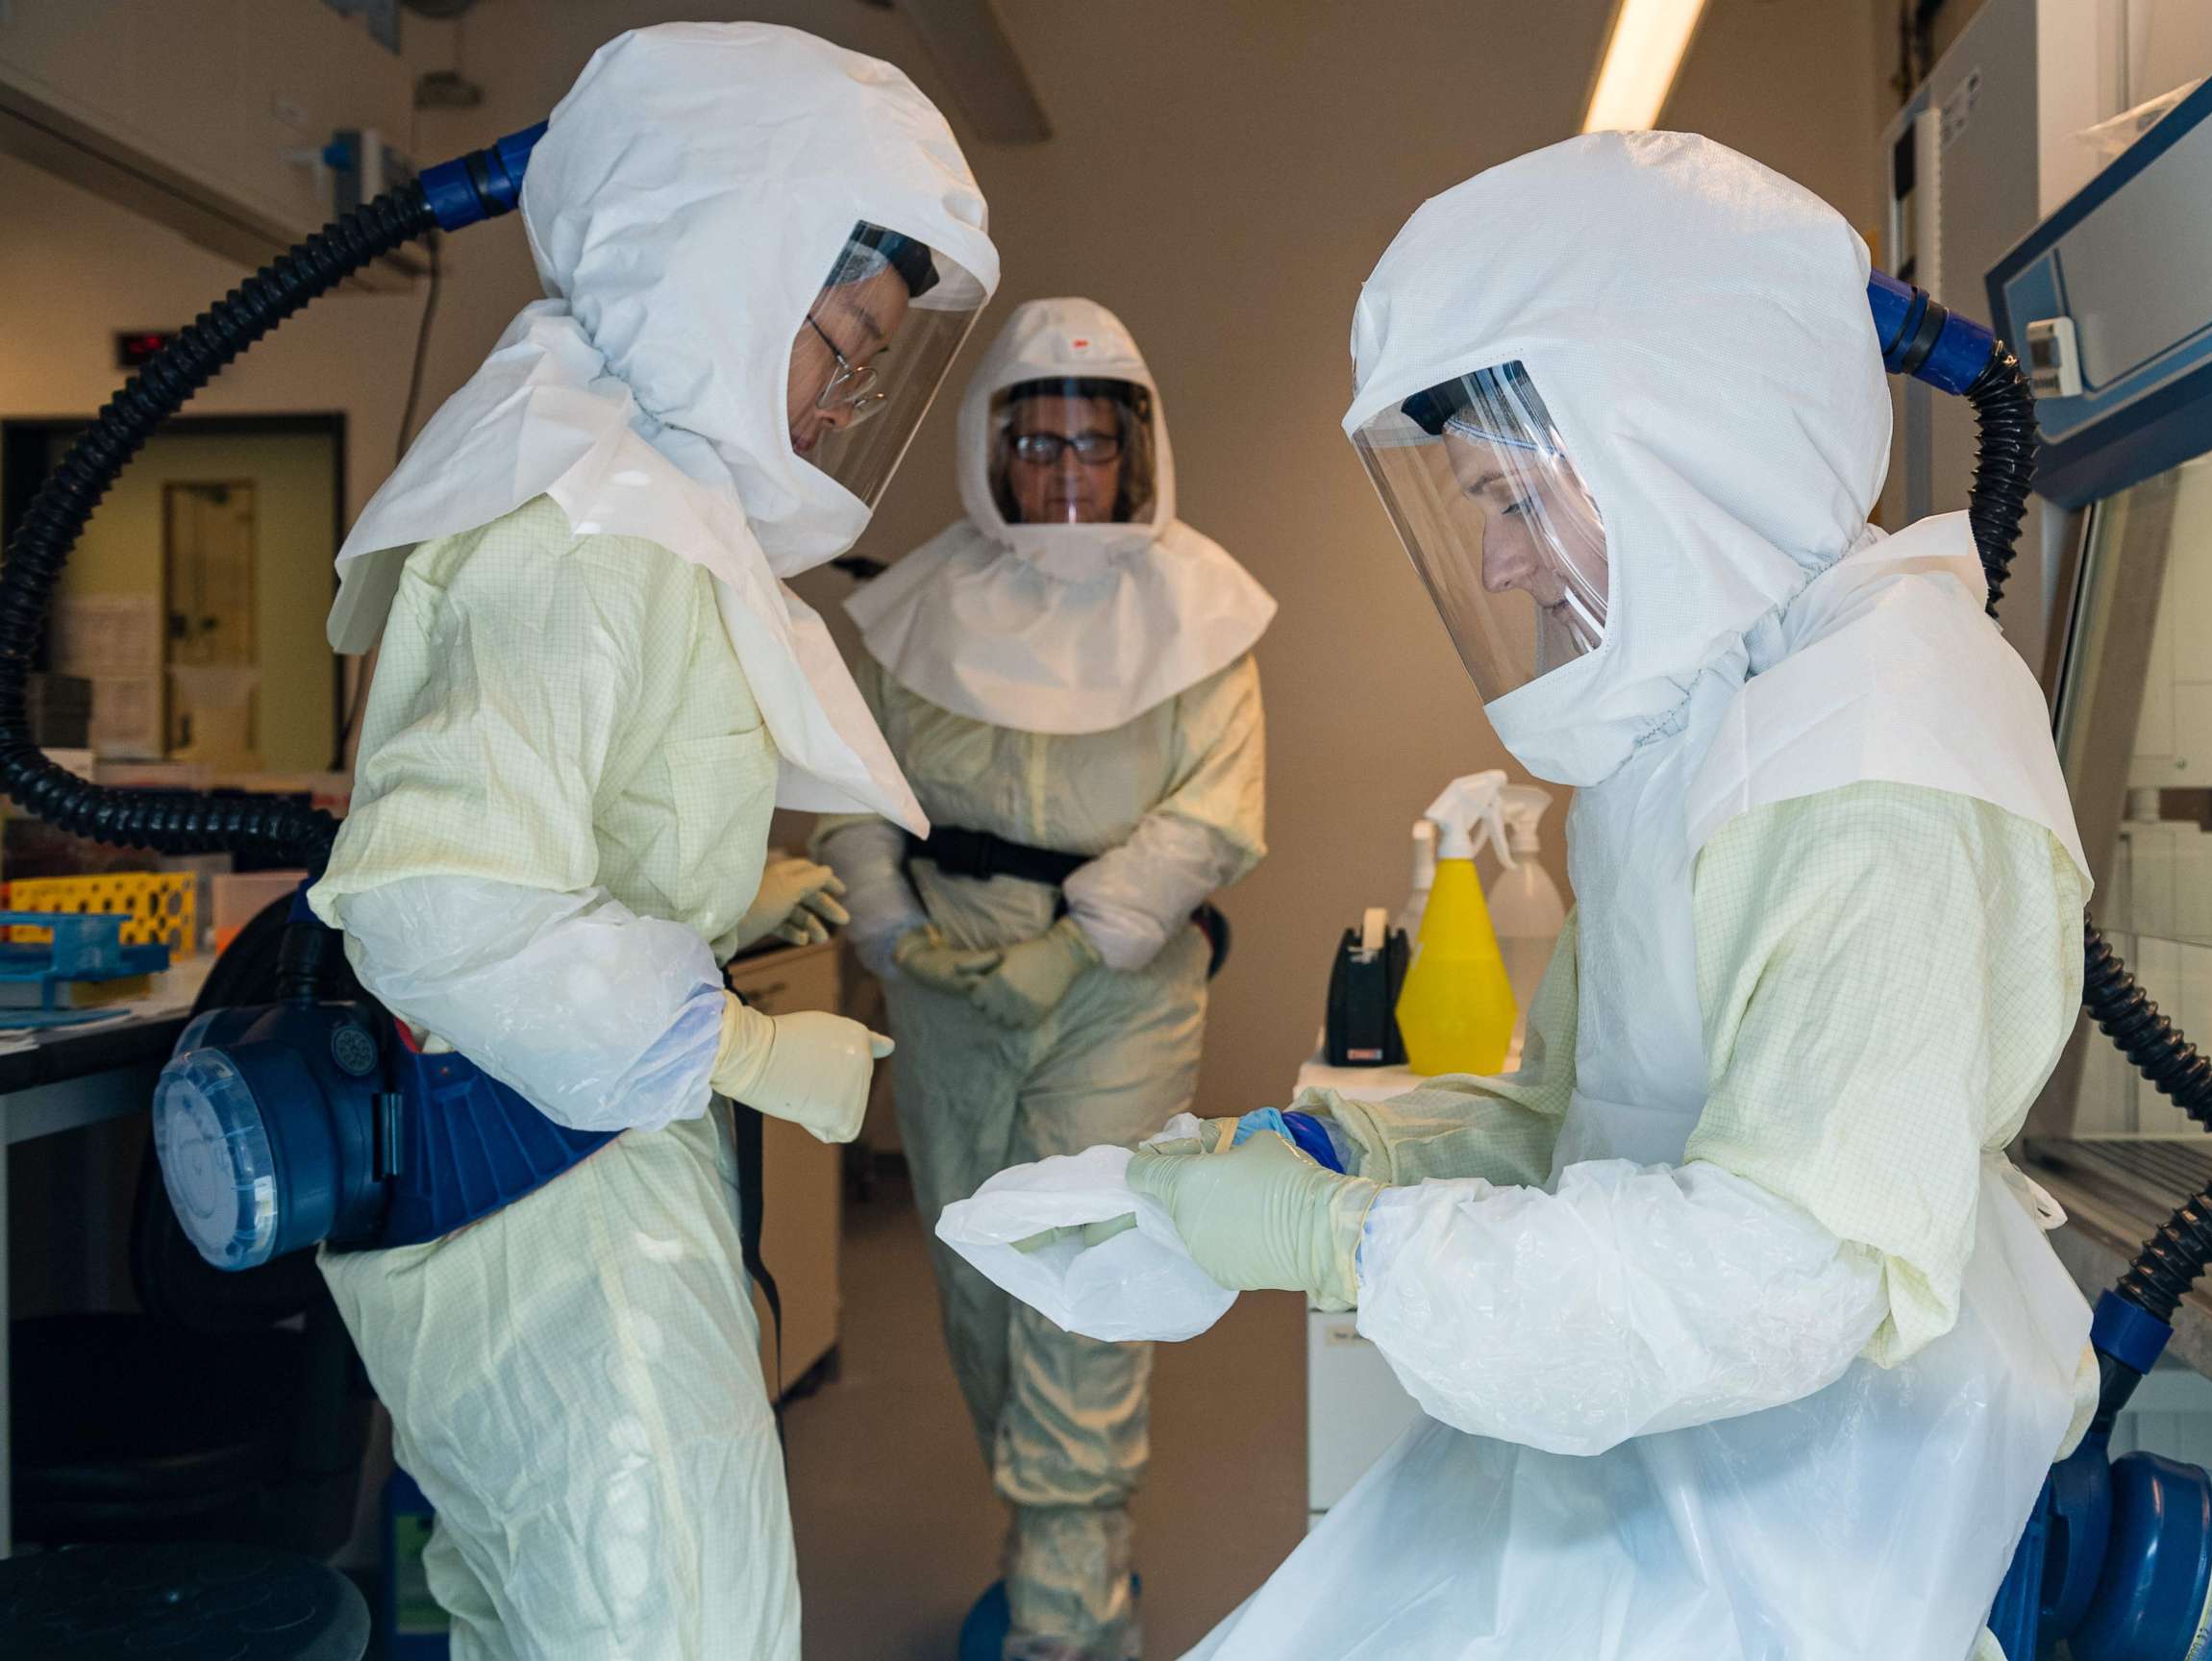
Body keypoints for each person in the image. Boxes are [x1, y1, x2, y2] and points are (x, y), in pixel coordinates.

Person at [1122, 133, 2100, 1659]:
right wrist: (1350, 1148)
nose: (1502, 568)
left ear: (1684, 444)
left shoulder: (1876, 759)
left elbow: (1787, 1273)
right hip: (1658, 1450)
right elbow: (1579, 1110)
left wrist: (1350, 1247)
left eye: (1514, 499)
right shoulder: (1710, 723)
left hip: (1799, 1519)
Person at [302, 24, 997, 1660]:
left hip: (570, 1169)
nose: (843, 397)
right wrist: (734, 1044)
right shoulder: (579, 523)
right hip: (549, 1198)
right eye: (842, 339)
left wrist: (727, 899)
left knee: (548, 1617)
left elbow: (561, 823)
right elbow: (438, 901)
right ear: (722, 263)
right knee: (668, 1625)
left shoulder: (620, 487)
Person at [819, 297, 1273, 1661]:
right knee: (977, 1287)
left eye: (1091, 445)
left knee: (1080, 1272)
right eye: (1039, 445)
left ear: (1137, 453)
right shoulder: (917, 610)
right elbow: (849, 788)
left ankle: (1069, 1619)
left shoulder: (1199, 610)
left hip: (1115, 996)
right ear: (989, 450)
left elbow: (1212, 815)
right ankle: (1048, 1550)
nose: (1066, 476)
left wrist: (1074, 945)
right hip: (947, 985)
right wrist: (895, 933)